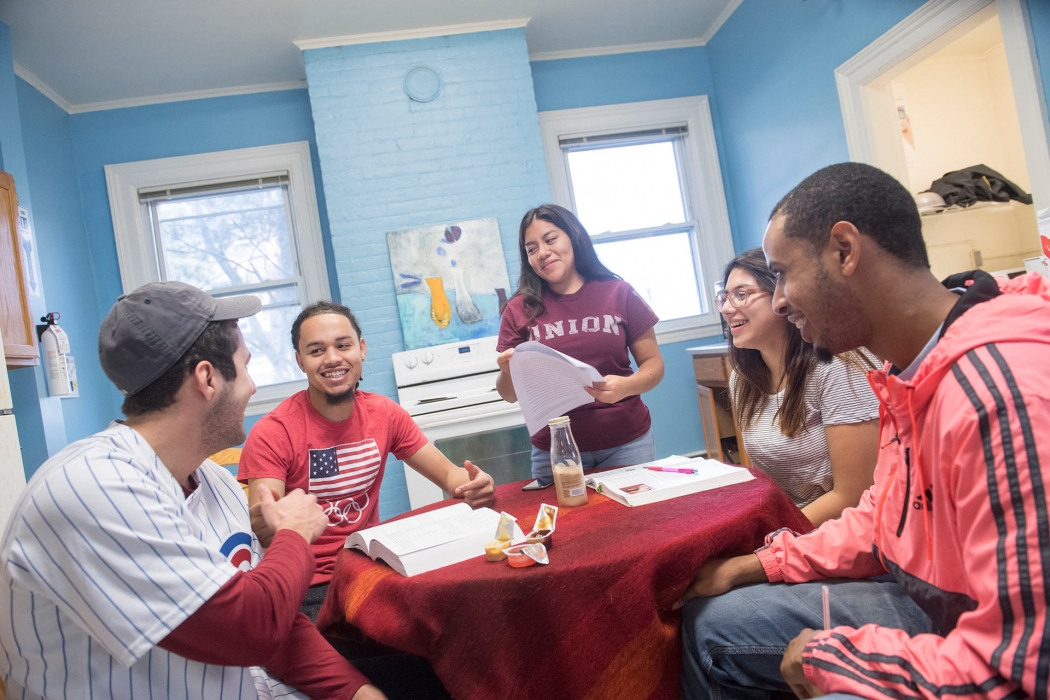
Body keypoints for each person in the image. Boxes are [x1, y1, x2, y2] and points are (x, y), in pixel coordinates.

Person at [677, 162, 1050, 700]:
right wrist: (755, 565)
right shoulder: (908, 373)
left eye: (782, 272)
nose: (778, 299)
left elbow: (1022, 669)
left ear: (845, 251)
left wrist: (837, 659)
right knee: (708, 619)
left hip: (973, 636)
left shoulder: (999, 393)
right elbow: (884, 519)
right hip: (926, 596)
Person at [0, 281, 384, 699]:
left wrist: (359, 693)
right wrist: (293, 533)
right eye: (246, 366)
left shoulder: (212, 480)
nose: (253, 386)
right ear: (207, 378)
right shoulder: (91, 490)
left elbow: (279, 626)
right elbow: (252, 628)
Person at [238, 301, 495, 621]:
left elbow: (449, 475)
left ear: (360, 349)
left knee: (455, 616)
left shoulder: (385, 414)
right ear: (300, 362)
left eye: (343, 345)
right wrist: (267, 521)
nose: (333, 358)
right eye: (316, 351)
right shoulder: (272, 432)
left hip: (368, 567)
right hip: (307, 586)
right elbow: (266, 529)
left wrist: (472, 483)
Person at [495, 204, 665, 485]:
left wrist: (625, 386)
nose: (543, 252)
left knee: (637, 526)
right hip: (555, 452)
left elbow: (654, 365)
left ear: (574, 237)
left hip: (628, 444)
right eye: (531, 248)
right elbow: (509, 395)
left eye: (550, 240)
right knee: (567, 529)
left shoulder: (619, 292)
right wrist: (507, 371)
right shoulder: (518, 309)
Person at [719, 247, 879, 526]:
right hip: (791, 522)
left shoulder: (835, 367)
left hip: (849, 529)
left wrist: (770, 541)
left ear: (784, 297)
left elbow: (854, 496)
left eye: (741, 294)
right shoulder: (742, 379)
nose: (726, 308)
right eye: (724, 297)